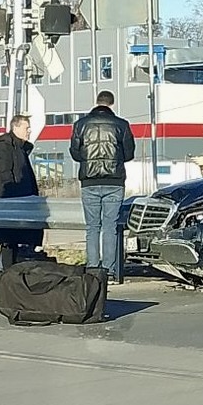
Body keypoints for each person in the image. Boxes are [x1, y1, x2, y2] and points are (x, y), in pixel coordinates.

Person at [69, 90, 135, 280]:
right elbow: (129, 154)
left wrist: (88, 160)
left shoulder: (80, 125)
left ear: (96, 102)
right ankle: (109, 269)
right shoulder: (122, 125)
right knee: (110, 226)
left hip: (89, 180)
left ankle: (92, 268)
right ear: (111, 104)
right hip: (114, 181)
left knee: (92, 227)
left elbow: (75, 153)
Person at [0, 114, 42, 270]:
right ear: (16, 127)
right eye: (26, 127)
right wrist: (12, 197)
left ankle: (14, 272)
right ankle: (8, 272)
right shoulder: (4, 147)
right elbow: (4, 176)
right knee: (9, 241)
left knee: (19, 239)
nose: (29, 131)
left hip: (23, 201)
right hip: (10, 202)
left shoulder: (21, 148)